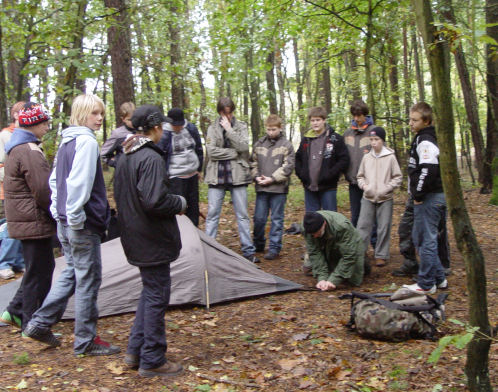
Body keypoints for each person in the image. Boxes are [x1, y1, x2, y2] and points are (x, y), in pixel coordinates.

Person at [23, 94, 119, 356]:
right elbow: (77, 184)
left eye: (101, 113)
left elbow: (55, 182)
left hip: (66, 221)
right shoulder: (85, 142)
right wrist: (75, 219)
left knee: (72, 273)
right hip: (80, 224)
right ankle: (85, 341)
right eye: (94, 113)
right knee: (88, 279)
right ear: (81, 114)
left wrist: (59, 213)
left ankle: (40, 324)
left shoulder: (68, 141)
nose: (99, 118)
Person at [114, 105, 185, 378]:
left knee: (149, 291)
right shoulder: (150, 158)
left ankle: (135, 351)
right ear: (155, 128)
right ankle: (153, 358)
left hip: (135, 235)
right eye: (162, 126)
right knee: (157, 295)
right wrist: (178, 201)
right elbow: (154, 200)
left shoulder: (125, 155)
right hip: (151, 238)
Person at [0, 102, 56, 330]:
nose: (47, 126)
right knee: (40, 271)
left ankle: (14, 311)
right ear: (34, 124)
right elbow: (43, 190)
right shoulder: (29, 150)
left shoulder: (18, 146)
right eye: (44, 122)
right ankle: (31, 321)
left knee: (37, 268)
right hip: (32, 219)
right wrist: (55, 212)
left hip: (25, 219)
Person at [204, 97, 258, 263]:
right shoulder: (212, 128)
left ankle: (248, 251)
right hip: (216, 175)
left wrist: (229, 130)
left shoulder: (241, 126)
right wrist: (232, 153)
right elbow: (211, 152)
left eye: (229, 112)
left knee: (242, 215)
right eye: (223, 112)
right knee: (212, 214)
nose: (227, 116)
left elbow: (243, 147)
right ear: (220, 111)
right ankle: (208, 250)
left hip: (237, 175)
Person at [402, 102, 448, 295]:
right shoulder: (421, 138)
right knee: (421, 238)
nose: (411, 123)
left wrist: (418, 195)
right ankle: (439, 278)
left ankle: (426, 283)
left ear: (426, 121)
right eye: (410, 119)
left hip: (429, 198)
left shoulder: (427, 141)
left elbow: (428, 171)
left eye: (415, 120)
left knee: (425, 240)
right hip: (428, 196)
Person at [250, 114, 295, 260]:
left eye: (274, 129)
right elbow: (252, 163)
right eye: (268, 129)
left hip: (278, 189)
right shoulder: (259, 144)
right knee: (259, 218)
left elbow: (288, 166)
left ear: (280, 128)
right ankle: (258, 244)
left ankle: (275, 247)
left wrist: (272, 179)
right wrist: (256, 176)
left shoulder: (286, 145)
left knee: (277, 219)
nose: (271, 132)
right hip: (261, 188)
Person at [356, 126, 402, 267]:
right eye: (371, 139)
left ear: (382, 140)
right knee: (363, 226)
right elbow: (360, 176)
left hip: (385, 198)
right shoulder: (366, 157)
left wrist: (387, 188)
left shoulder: (390, 157)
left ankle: (381, 255)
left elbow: (398, 177)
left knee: (383, 227)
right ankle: (360, 253)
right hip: (368, 197)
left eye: (376, 139)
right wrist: (365, 186)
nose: (373, 142)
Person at [295, 106, 349, 213]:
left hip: (328, 187)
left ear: (324, 120)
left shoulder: (335, 138)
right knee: (312, 219)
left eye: (318, 120)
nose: (315, 123)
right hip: (309, 186)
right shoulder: (306, 139)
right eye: (312, 120)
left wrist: (330, 174)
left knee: (330, 217)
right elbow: (298, 158)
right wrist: (302, 175)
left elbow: (344, 159)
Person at [157, 107, 203, 227]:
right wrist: (164, 177)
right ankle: (180, 234)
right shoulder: (164, 133)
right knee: (179, 208)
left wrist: (199, 169)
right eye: (175, 125)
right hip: (175, 177)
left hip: (192, 175)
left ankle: (195, 232)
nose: (178, 127)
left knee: (193, 206)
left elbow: (198, 149)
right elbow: (160, 157)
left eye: (180, 125)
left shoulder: (191, 129)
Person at [302, 211, 365, 291]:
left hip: (350, 244)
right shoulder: (306, 228)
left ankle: (364, 261)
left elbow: (349, 255)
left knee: (353, 280)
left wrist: (334, 280)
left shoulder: (342, 226)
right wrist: (322, 278)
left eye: (317, 233)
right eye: (312, 235)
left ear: (324, 224)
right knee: (310, 269)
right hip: (325, 246)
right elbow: (314, 252)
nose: (315, 236)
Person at [392, 197, 451, 277]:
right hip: (414, 197)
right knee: (405, 230)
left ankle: (442, 266)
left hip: (433, 198)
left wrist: (419, 192)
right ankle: (410, 263)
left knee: (435, 233)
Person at [343, 100, 376, 227]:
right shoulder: (347, 134)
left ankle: (375, 243)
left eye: (359, 115)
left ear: (365, 115)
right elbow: (342, 156)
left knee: (372, 215)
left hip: (371, 182)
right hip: (353, 181)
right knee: (355, 215)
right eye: (354, 116)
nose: (357, 119)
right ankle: (357, 244)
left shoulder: (374, 132)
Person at [0, 101, 25, 219]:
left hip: (25, 188)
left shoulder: (32, 135)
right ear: (15, 115)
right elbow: (1, 163)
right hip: (7, 187)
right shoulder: (5, 135)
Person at [100, 101, 135, 167]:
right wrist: (116, 162)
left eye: (134, 118)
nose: (132, 122)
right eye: (129, 120)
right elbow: (103, 153)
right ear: (123, 119)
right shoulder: (118, 134)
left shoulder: (143, 130)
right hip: (125, 173)